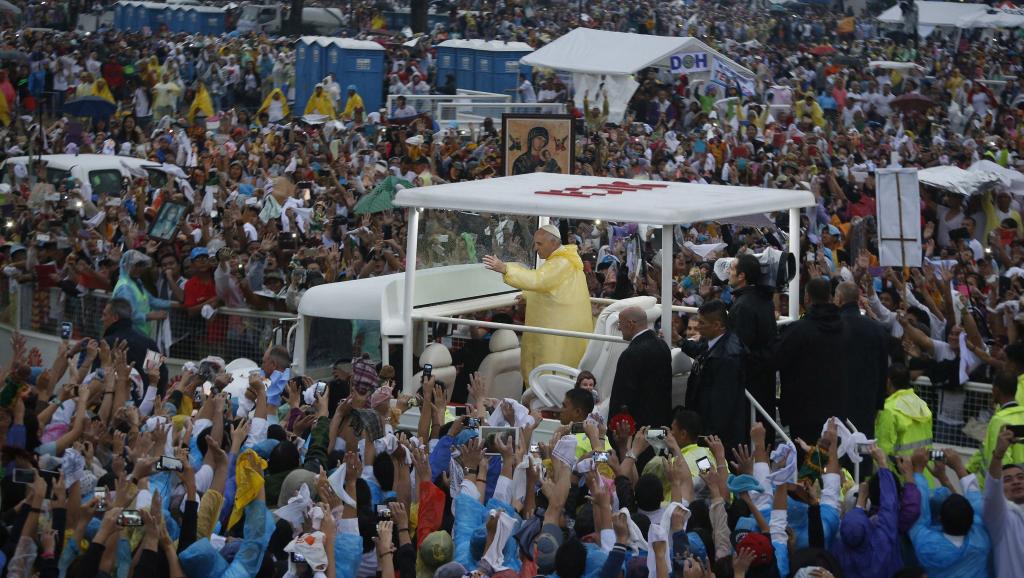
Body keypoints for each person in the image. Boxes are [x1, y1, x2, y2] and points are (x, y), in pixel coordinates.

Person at [483, 225, 593, 380]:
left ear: (554, 244)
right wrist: (528, 295)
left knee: (549, 372)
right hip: (555, 328)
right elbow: (550, 286)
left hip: (557, 332)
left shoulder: (561, 262)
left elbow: (539, 280)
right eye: (535, 244)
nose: (535, 248)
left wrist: (506, 269)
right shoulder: (559, 261)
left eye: (539, 244)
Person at [774, 278, 848, 442]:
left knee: (807, 461)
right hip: (836, 406)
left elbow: (775, 358)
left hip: (803, 410)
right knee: (832, 461)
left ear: (807, 298)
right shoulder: (845, 328)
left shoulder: (798, 330)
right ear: (829, 297)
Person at [680, 299, 748, 449]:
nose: (698, 326)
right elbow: (701, 350)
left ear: (717, 325)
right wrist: (680, 341)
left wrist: (708, 437)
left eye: (702, 323)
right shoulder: (717, 342)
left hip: (716, 437)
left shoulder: (727, 357)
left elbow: (722, 404)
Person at [727, 254, 777, 436]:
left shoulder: (743, 306)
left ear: (742, 276)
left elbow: (738, 348)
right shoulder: (764, 300)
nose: (728, 272)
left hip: (750, 381)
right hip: (764, 378)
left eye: (732, 269)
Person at [836, 281, 891, 438]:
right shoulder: (876, 329)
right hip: (868, 401)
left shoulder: (833, 327)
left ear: (839, 298)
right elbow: (883, 369)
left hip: (838, 401)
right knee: (863, 449)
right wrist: (878, 403)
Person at [607, 306, 673, 429]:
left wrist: (613, 427)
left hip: (637, 429)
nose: (619, 327)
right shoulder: (662, 346)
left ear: (631, 324)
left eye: (620, 323)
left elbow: (622, 396)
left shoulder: (631, 354)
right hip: (660, 423)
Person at [100, 297, 168, 393]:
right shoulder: (149, 344)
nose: (101, 319)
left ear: (115, 317)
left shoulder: (106, 344)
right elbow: (161, 377)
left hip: (110, 403)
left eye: (104, 315)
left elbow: (96, 379)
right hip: (143, 404)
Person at [983, 427, 1024, 577]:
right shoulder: (1001, 519)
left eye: (1021, 477)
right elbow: (992, 489)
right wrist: (998, 455)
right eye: (1007, 480)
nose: (1016, 482)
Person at [968, 371, 1024, 479]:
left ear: (996, 391)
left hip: (1000, 489)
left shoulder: (999, 420)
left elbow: (1003, 460)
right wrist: (969, 467)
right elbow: (985, 447)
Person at [876, 363, 934, 463]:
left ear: (888, 381)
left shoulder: (888, 409)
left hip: (901, 474)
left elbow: (883, 450)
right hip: (924, 472)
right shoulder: (922, 405)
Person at [112, 250, 174, 338]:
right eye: (136, 265)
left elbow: (151, 301)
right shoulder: (125, 288)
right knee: (152, 352)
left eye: (141, 265)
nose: (140, 269)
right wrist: (150, 316)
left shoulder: (136, 282)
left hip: (140, 334)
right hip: (130, 336)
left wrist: (175, 304)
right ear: (126, 265)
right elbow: (128, 315)